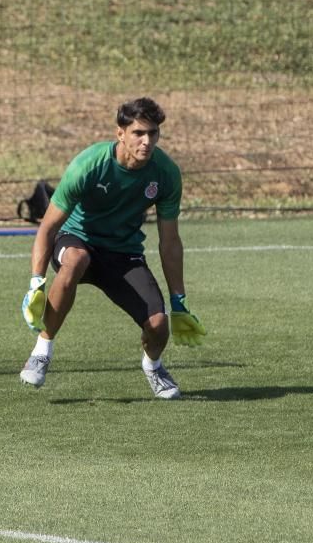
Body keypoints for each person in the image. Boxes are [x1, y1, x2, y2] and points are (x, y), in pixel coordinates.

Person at [20, 97, 207, 399]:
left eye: (153, 134)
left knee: (159, 326)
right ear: (120, 133)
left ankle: (154, 366)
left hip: (123, 252)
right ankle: (42, 350)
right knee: (77, 260)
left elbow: (170, 241)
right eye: (138, 133)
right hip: (76, 239)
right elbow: (48, 227)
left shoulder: (166, 173)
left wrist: (179, 301)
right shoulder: (89, 164)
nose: (147, 141)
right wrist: (35, 282)